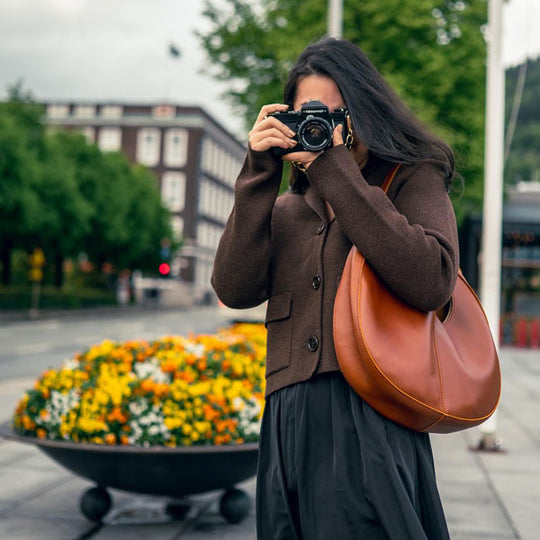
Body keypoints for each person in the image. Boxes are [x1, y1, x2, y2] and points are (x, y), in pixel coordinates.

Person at [211, 37, 458, 540]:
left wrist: (334, 168)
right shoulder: (284, 210)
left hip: (374, 417)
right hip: (288, 422)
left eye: (336, 113)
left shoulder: (412, 179)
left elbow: (432, 280)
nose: (322, 126)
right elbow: (233, 289)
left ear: (365, 111)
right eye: (307, 114)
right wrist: (259, 172)